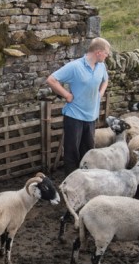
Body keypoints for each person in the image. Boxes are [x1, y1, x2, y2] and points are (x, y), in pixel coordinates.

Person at [45, 37, 111, 172]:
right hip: (74, 117)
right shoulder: (75, 66)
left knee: (88, 153)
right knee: (72, 152)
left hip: (91, 117)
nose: (107, 55)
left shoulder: (101, 66)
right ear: (98, 52)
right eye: (106, 52)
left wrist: (100, 93)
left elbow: (105, 80)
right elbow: (51, 80)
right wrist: (67, 95)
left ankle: (85, 181)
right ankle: (70, 183)